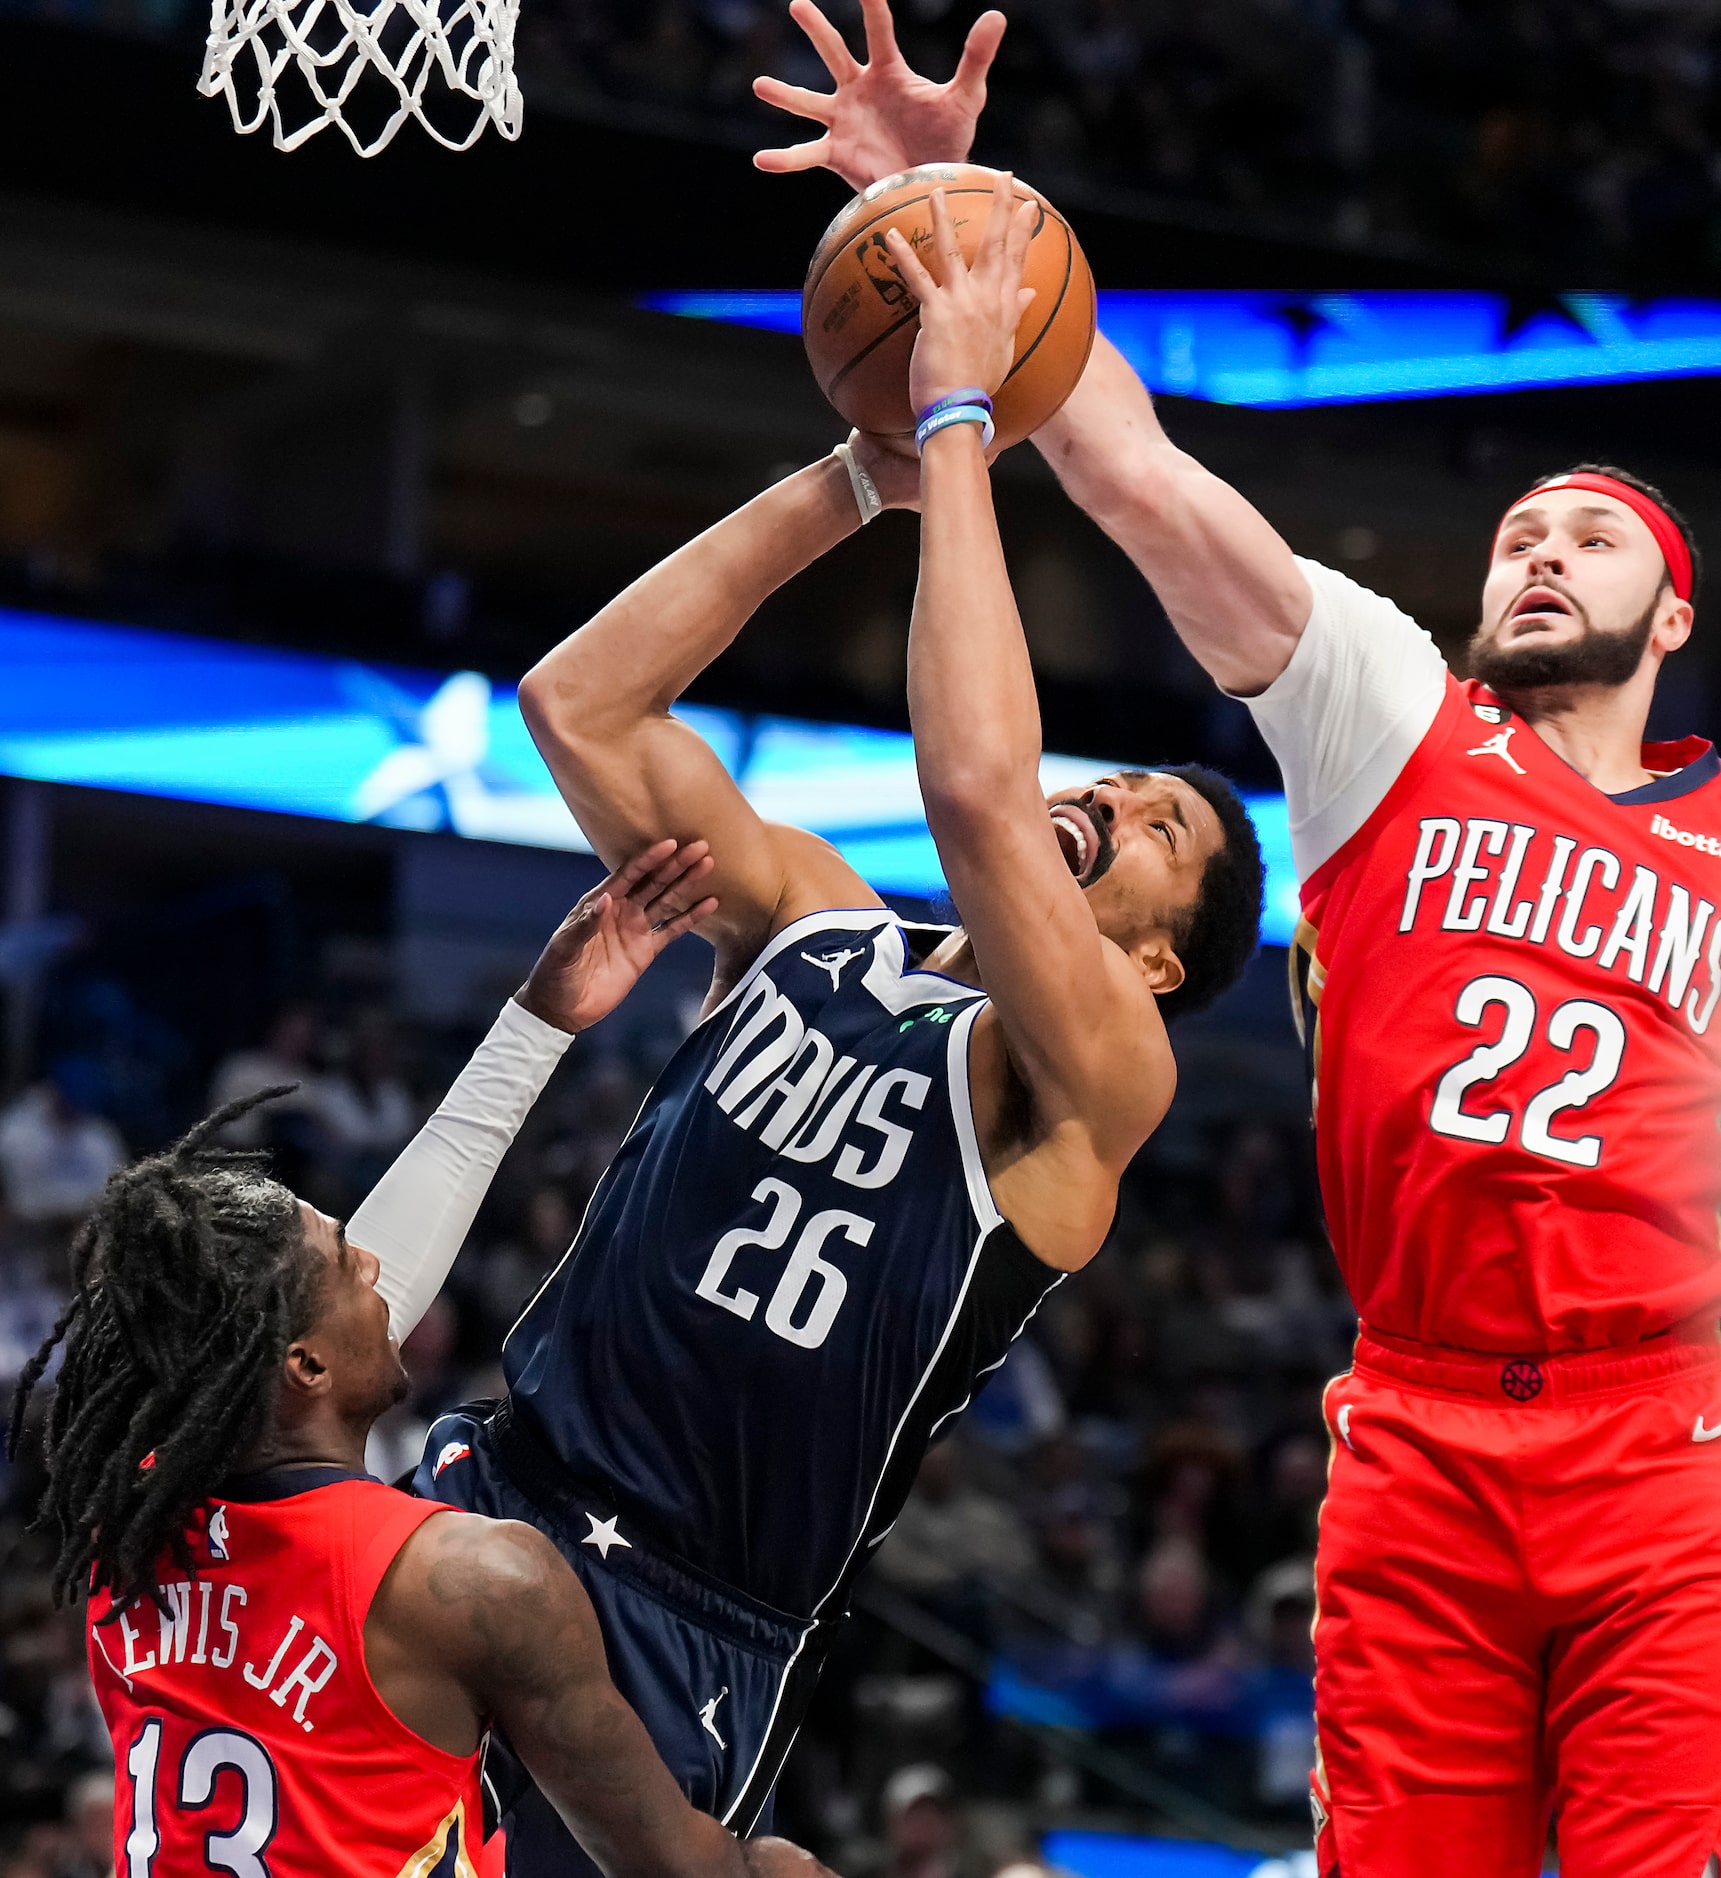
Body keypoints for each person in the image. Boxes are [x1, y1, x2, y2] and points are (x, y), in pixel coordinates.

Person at [752, 13, 1721, 1874]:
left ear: (1667, 611)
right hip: (1425, 1419)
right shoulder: (1393, 722)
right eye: (1519, 529)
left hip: (1664, 1422)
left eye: (1588, 539)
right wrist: (937, 215)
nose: (1535, 551)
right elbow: (1133, 467)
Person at [345, 178, 1262, 1876]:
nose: (1108, 796)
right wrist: (855, 479)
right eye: (1120, 776)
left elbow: (980, 793)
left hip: (682, 1626)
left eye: (1155, 828)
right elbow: (579, 702)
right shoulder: (820, 921)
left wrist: (967, 421)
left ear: (1151, 960)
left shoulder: (1096, 1085)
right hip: (484, 1482)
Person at [1, 845, 839, 1878]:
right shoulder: (468, 1578)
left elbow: (278, 1341)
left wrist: (537, 1023)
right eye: (347, 1261)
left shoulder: (123, 1538)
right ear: (302, 1369)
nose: (376, 1268)